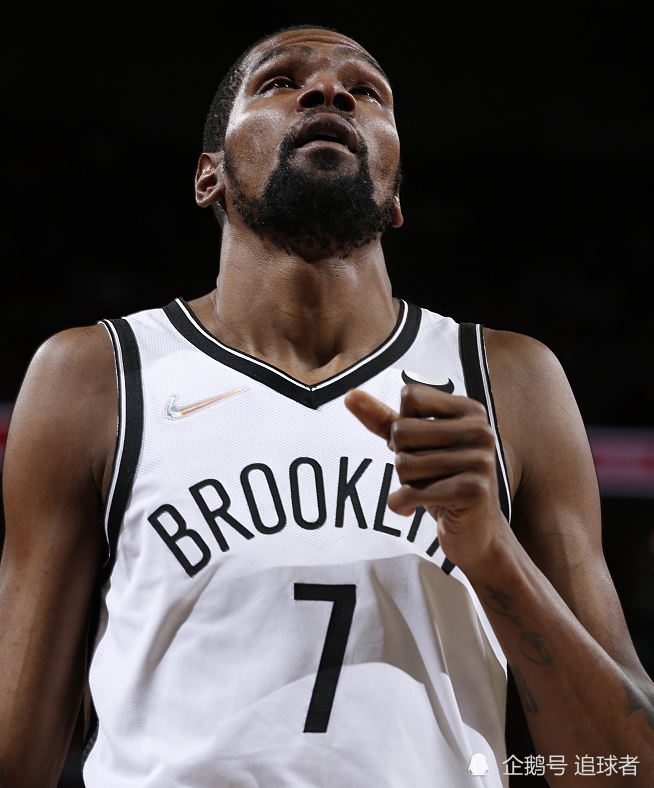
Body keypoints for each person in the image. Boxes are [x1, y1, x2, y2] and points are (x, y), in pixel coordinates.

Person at [1, 23, 652, 788]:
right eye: (280, 81)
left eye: (367, 91)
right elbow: (17, 757)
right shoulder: (95, 375)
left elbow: (625, 767)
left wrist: (492, 553)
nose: (329, 90)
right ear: (209, 176)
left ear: (396, 192)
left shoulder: (511, 380)